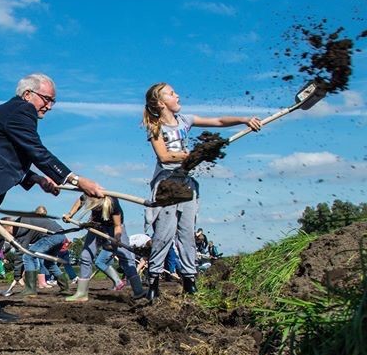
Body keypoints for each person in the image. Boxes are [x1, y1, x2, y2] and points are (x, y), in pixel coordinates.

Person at [0, 73, 104, 323]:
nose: (49, 106)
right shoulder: (22, 111)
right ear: (27, 95)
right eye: (47, 99)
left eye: (53, 101)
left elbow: (1, 154)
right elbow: (35, 150)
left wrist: (36, 179)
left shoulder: (12, 114)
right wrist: (76, 180)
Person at [142, 82, 261, 300]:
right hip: (167, 186)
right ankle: (153, 281)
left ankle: (189, 280)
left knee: (187, 233)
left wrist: (244, 120)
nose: (177, 95)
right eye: (172, 93)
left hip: (187, 184)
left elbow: (218, 121)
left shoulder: (185, 121)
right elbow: (165, 156)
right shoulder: (155, 127)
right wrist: (195, 154)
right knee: (164, 235)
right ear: (160, 103)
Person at [63, 196, 146, 301]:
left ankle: (138, 291)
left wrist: (117, 238)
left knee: (125, 256)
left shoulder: (113, 204)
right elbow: (80, 200)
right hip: (96, 226)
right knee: (85, 256)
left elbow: (117, 225)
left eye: (96, 208)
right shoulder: (90, 193)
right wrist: (70, 214)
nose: (94, 210)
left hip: (114, 227)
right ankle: (81, 293)